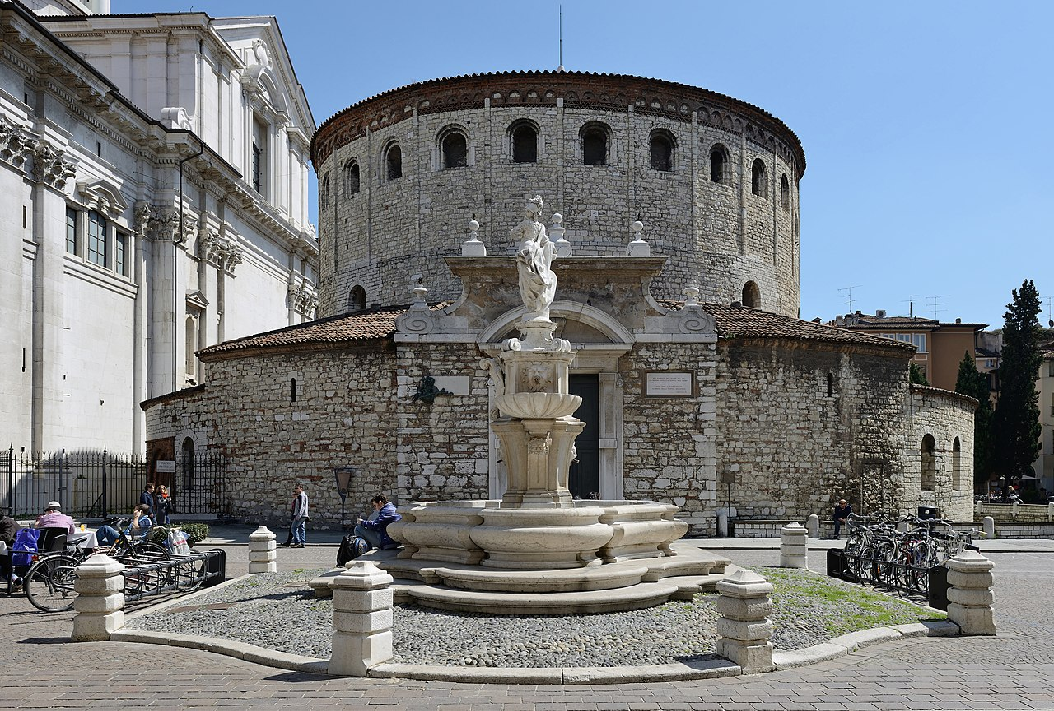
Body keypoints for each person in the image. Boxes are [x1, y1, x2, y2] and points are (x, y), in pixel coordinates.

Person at [287, 483, 308, 548]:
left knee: (293, 528)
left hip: (301, 515)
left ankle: (297, 541)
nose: (296, 490)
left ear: (301, 488)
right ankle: (302, 542)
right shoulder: (302, 496)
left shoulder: (302, 496)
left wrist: (298, 515)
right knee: (302, 529)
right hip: (304, 515)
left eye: (297, 488)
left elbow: (302, 506)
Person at [1, 513, 17, 587]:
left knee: (3, 570)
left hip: (14, 549)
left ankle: (17, 581)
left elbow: (7, 537)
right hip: (7, 548)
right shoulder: (3, 522)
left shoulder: (7, 522)